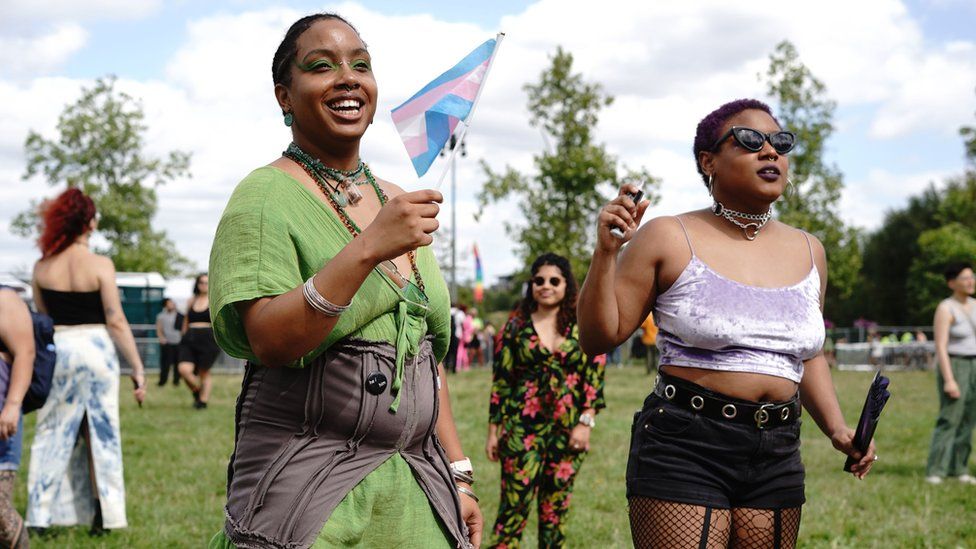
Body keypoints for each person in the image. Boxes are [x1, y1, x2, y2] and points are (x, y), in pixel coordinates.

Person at [206, 13, 481, 548]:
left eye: (361, 65)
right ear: (285, 96)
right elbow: (269, 338)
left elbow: (423, 354)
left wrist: (459, 472)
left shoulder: (396, 199)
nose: (348, 77)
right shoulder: (263, 198)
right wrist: (368, 248)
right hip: (311, 486)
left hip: (415, 486)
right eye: (321, 66)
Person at [577, 99, 876, 548]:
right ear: (708, 161)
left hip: (776, 448)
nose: (770, 151)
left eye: (780, 142)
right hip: (685, 445)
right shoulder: (668, 235)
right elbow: (599, 337)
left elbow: (804, 353)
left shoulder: (810, 249)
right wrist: (606, 253)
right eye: (751, 140)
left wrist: (837, 429)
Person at [27, 188, 146, 533]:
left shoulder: (42, 267)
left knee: (51, 431)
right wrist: (137, 368)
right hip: (96, 350)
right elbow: (116, 320)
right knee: (102, 432)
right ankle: (105, 516)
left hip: (59, 349)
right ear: (89, 223)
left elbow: (43, 317)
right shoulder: (100, 265)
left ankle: (40, 515)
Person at [485, 253, 606, 548]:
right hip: (521, 430)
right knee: (512, 511)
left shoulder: (581, 327)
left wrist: (585, 423)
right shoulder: (514, 328)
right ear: (531, 285)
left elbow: (594, 375)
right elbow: (502, 381)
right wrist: (493, 431)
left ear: (566, 285)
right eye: (539, 280)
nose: (546, 286)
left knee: (555, 514)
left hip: (567, 431)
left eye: (554, 280)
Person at [925, 261, 976, 485]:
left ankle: (960, 468)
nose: (970, 281)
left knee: (968, 419)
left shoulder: (974, 305)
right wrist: (949, 380)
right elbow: (941, 347)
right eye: (965, 277)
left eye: (972, 276)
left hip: (974, 365)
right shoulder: (946, 308)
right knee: (950, 418)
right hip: (955, 365)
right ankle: (936, 469)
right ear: (951, 283)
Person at [0, 288, 35, 547]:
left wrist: (12, 405)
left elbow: (25, 353)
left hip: (2, 420)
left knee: (0, 513)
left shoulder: (5, 300)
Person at [177, 274, 219, 409]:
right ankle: (197, 391)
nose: (204, 285)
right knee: (183, 369)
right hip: (190, 337)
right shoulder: (191, 301)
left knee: (204, 372)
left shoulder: (214, 300)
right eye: (201, 282)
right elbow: (185, 322)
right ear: (197, 284)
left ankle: (203, 402)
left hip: (208, 339)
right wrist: (183, 336)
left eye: (207, 282)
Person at [155, 297, 182, 386]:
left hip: (178, 342)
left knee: (177, 363)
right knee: (165, 364)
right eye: (169, 303)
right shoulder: (161, 316)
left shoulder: (180, 315)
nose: (171, 304)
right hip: (167, 343)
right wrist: (161, 338)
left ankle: (176, 381)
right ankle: (162, 381)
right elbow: (159, 329)